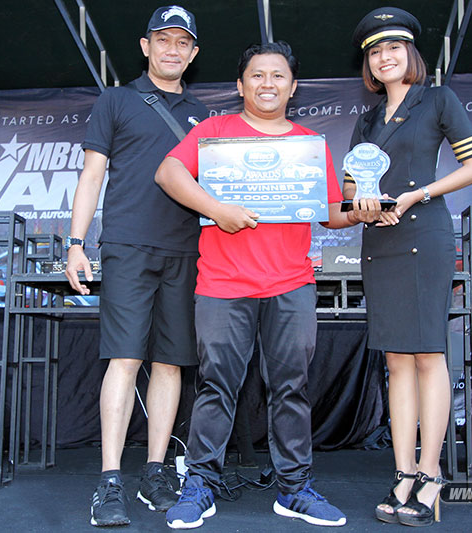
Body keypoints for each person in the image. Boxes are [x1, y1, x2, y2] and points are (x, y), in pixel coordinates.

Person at [154, 41, 379, 529]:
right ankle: (200, 485)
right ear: (240, 85)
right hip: (223, 284)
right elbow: (168, 172)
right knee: (216, 386)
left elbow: (332, 212)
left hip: (291, 283)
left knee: (291, 388)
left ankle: (295, 489)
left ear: (293, 87)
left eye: (278, 75)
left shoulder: (309, 144)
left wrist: (363, 210)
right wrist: (216, 209)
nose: (268, 83)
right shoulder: (215, 132)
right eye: (257, 75)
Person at [64, 5, 208, 527]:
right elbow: (91, 175)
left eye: (182, 42)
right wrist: (76, 243)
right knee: (124, 360)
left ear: (193, 53)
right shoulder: (116, 100)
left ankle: (154, 471)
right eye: (162, 39)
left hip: (187, 251)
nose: (172, 49)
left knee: (170, 363)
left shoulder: (204, 116)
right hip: (127, 246)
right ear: (145, 46)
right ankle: (109, 480)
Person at [345, 7, 472, 527]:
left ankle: (431, 474)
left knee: (428, 355)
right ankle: (403, 471)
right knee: (396, 362)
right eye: (374, 51)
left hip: (423, 235)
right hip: (380, 241)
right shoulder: (367, 120)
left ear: (410, 53)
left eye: (393, 48)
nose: (384, 57)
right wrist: (360, 205)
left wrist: (416, 195)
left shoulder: (438, 99)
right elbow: (351, 189)